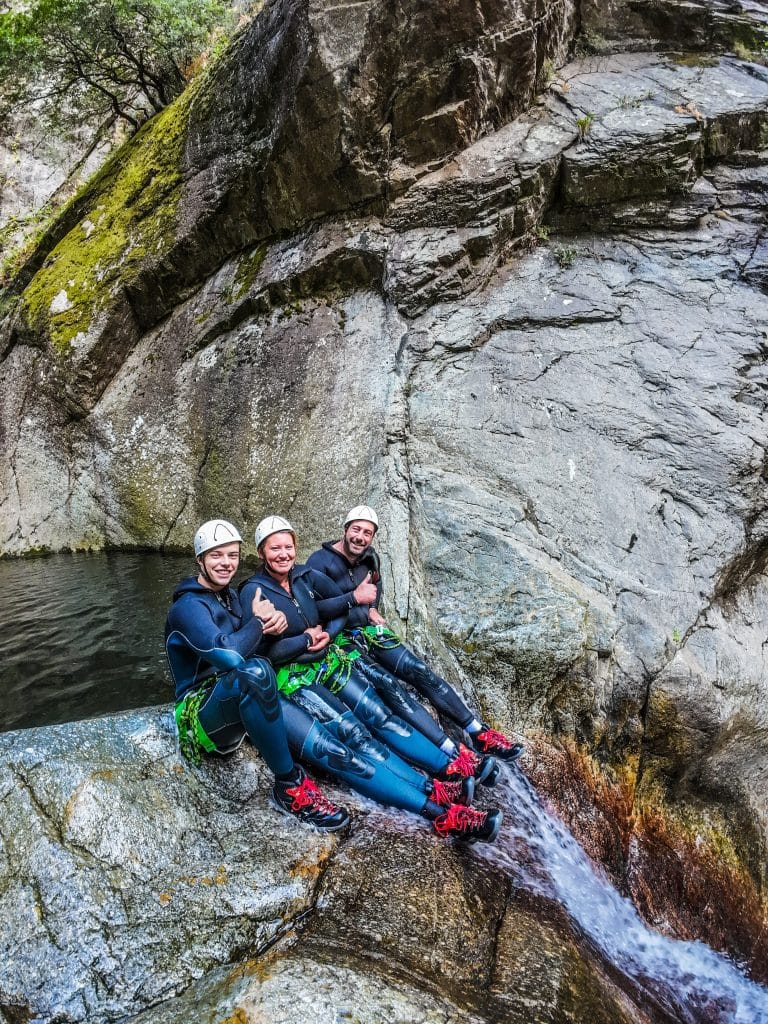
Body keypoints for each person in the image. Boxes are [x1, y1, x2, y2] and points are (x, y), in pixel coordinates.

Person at [239, 515, 503, 843]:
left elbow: (344, 607)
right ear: (261, 552)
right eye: (274, 548)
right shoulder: (253, 592)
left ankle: (438, 781)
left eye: (288, 547)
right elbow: (261, 654)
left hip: (328, 664)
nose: (283, 554)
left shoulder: (304, 576)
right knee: (354, 741)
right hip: (294, 681)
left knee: (377, 719)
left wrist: (327, 633)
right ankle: (442, 815)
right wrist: (305, 641)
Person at [165, 518, 349, 832]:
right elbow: (229, 654)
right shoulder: (188, 606)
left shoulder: (230, 597)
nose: (226, 563)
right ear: (199, 559)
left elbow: (254, 642)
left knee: (328, 739)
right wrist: (259, 624)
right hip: (201, 715)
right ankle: (288, 786)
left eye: (233, 555)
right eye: (216, 555)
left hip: (237, 696)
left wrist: (275, 625)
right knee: (256, 670)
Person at [306, 505, 524, 761]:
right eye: (356, 529)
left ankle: (479, 733)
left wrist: (372, 608)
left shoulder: (369, 557)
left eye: (367, 533)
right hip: (340, 639)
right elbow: (315, 611)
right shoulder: (319, 562)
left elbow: (375, 584)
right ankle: (452, 754)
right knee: (388, 685)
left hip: (368, 630)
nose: (360, 537)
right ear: (345, 529)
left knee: (418, 670)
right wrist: (358, 603)